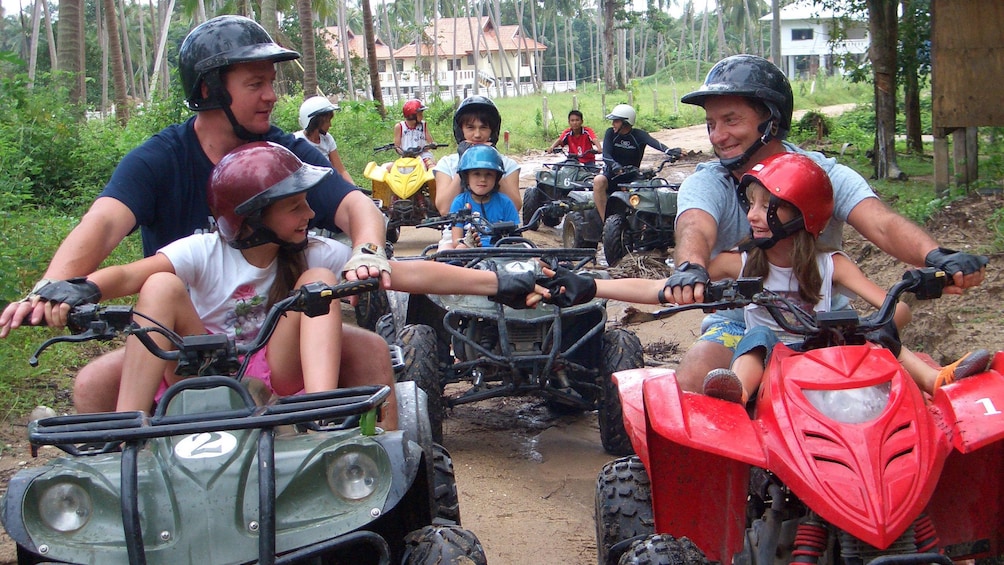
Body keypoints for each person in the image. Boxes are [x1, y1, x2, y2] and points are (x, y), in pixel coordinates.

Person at [0, 15, 393, 414]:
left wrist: (367, 249)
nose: (272, 96)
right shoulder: (160, 159)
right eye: (255, 84)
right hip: (184, 339)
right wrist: (52, 285)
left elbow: (353, 205)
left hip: (273, 336)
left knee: (371, 350)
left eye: (271, 83)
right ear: (210, 90)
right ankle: (129, 466)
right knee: (92, 383)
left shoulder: (282, 155)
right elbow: (102, 224)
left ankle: (384, 471)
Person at [15, 143, 551, 420]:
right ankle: (132, 427)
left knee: (319, 278)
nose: (307, 213)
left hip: (279, 373)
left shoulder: (313, 250)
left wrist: (501, 280)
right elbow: (130, 274)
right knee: (157, 288)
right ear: (250, 218)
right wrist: (78, 287)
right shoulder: (204, 251)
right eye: (294, 205)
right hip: (197, 373)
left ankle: (320, 411)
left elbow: (405, 273)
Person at [661, 54, 987, 394]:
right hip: (739, 321)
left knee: (897, 396)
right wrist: (690, 269)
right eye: (712, 124)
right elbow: (694, 226)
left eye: (731, 121)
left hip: (824, 318)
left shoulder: (821, 176)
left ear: (771, 122)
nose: (718, 136)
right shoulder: (709, 181)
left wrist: (936, 257)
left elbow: (881, 223)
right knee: (695, 378)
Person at [570, 153, 991, 402]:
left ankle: (936, 380)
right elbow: (659, 290)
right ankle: (737, 389)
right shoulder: (742, 263)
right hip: (775, 358)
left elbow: (889, 306)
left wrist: (894, 311)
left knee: (880, 339)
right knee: (758, 339)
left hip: (825, 357)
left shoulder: (832, 264)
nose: (751, 215)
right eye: (751, 203)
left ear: (800, 214)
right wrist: (592, 285)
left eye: (765, 205)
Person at [433, 95, 521, 216]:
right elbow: (444, 209)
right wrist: (464, 161)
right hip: (458, 232)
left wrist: (494, 163)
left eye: (483, 128)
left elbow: (514, 207)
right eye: (470, 128)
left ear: (492, 131)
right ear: (461, 130)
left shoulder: (508, 165)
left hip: (500, 230)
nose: (477, 135)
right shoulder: (447, 164)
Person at [591, 103, 681, 219]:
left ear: (626, 122)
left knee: (653, 189)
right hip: (612, 175)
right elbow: (606, 155)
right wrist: (614, 166)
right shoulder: (610, 133)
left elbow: (655, 143)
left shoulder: (639, 135)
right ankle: (605, 221)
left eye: (616, 121)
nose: (613, 124)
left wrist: (670, 151)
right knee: (598, 180)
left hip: (633, 176)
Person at [449, 145, 520, 248]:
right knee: (459, 248)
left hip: (500, 254)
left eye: (489, 174)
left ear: (497, 178)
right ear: (466, 177)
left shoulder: (505, 202)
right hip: (469, 255)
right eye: (476, 174)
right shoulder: (459, 202)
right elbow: (456, 240)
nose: (483, 179)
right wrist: (467, 243)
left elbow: (516, 238)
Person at [294, 95, 354, 185]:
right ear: (315, 122)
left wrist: (354, 189)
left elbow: (341, 170)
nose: (330, 125)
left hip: (327, 184)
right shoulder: (297, 141)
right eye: (327, 121)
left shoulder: (327, 139)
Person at [394, 99, 437, 168]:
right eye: (420, 114)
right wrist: (403, 152)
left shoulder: (423, 125)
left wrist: (432, 145)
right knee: (393, 170)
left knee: (431, 167)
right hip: (406, 157)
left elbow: (430, 141)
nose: (422, 116)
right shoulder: (400, 127)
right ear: (412, 116)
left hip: (423, 155)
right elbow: (397, 146)